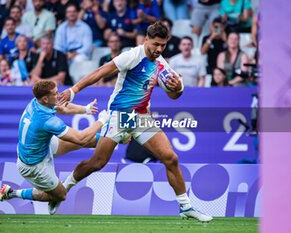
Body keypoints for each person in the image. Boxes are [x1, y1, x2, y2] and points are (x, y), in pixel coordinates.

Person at [55, 21, 212, 222]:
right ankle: (63, 188)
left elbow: (174, 95)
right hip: (120, 116)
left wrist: (178, 88)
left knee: (170, 158)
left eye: (163, 45)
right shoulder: (132, 56)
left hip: (141, 117)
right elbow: (100, 72)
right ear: (146, 39)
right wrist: (73, 90)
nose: (159, 49)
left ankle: (185, 207)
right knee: (97, 163)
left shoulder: (162, 65)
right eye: (155, 44)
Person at [0, 80, 111, 210]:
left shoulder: (36, 102)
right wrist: (101, 121)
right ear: (45, 98)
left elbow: (61, 107)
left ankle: (112, 138)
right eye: (55, 93)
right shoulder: (46, 120)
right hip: (34, 165)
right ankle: (11, 193)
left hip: (41, 146)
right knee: (61, 195)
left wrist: (86, 109)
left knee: (86, 141)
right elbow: (81, 139)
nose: (59, 95)